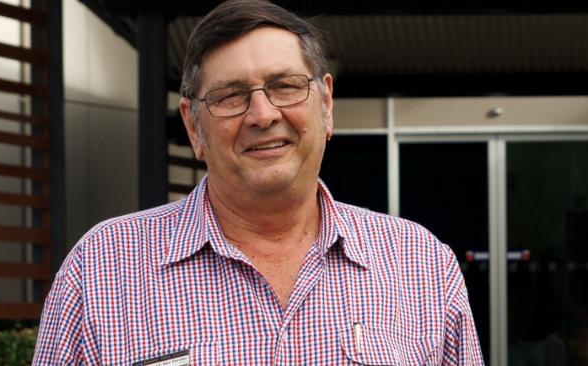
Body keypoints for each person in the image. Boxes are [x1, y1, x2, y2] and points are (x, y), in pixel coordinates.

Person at [33, 0, 484, 364]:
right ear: (194, 127)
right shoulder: (100, 272)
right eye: (231, 96)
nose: (263, 115)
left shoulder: (421, 267)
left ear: (325, 104)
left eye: (285, 86)